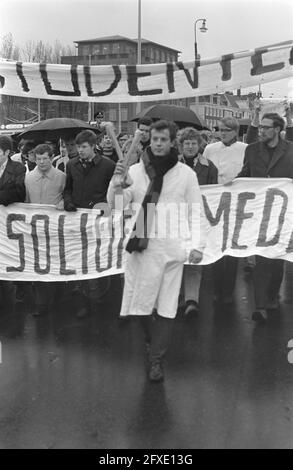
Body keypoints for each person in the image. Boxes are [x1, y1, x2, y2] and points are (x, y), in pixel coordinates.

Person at [107, 120, 206, 383]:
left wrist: (197, 244)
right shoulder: (135, 172)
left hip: (171, 249)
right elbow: (117, 207)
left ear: (173, 141)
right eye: (155, 139)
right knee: (139, 307)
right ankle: (152, 341)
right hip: (140, 249)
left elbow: (196, 210)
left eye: (163, 139)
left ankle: (156, 360)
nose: (159, 144)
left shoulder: (186, 174)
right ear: (149, 140)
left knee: (166, 307)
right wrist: (117, 183)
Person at [238, 112, 293, 323]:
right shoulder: (252, 150)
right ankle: (259, 306)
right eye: (259, 127)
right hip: (259, 212)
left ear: (278, 130)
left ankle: (271, 296)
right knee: (261, 256)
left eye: (266, 127)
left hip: (284, 214)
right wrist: (232, 185)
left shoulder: (291, 150)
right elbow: (245, 174)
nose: (261, 131)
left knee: (276, 259)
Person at [64, 130, 115, 318]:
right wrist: (68, 201)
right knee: (80, 259)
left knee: (97, 258)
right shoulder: (71, 165)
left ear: (94, 146)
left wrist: (104, 207)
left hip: (99, 219)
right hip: (78, 219)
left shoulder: (108, 166)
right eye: (78, 147)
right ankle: (83, 301)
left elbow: (114, 192)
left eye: (84, 147)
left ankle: (99, 297)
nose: (80, 150)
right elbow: (67, 188)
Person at [203, 117, 247, 305]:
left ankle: (228, 290)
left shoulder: (245, 149)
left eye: (227, 130)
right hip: (214, 203)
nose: (223, 133)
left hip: (236, 203)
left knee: (231, 247)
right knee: (215, 246)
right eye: (220, 130)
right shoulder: (209, 149)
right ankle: (217, 288)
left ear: (235, 132)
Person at [178, 127, 218, 316]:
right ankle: (178, 298)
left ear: (199, 145)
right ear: (181, 145)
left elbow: (214, 194)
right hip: (176, 218)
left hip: (197, 219)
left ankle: (192, 300)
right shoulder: (172, 165)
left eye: (194, 143)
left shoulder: (209, 167)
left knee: (195, 259)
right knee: (177, 260)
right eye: (187, 143)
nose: (191, 146)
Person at [25, 143, 66, 315]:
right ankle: (41, 304)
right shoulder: (28, 178)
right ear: (34, 158)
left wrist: (64, 203)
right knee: (39, 266)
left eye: (45, 158)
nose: (42, 162)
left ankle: (59, 300)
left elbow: (67, 195)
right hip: (36, 229)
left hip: (56, 228)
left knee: (56, 263)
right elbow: (25, 202)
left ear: (51, 157)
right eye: (39, 158)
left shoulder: (62, 177)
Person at [0, 136, 26, 311]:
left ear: (7, 152)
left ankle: (15, 296)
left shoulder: (18, 168)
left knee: (10, 257)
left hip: (9, 224)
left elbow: (17, 192)